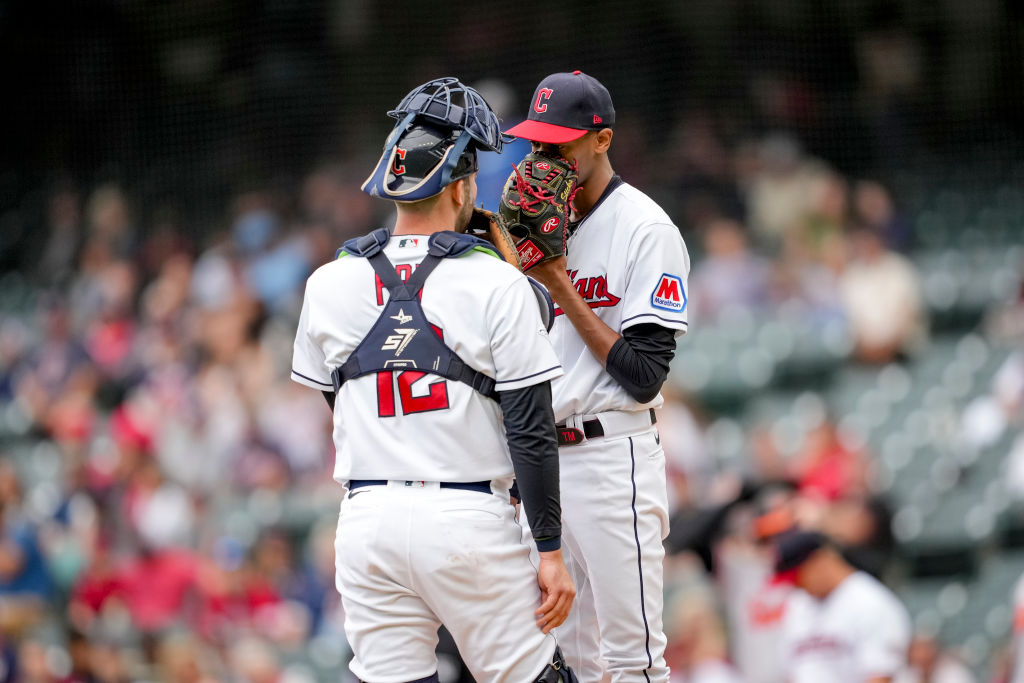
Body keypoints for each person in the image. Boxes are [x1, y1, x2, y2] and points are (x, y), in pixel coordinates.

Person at [290, 77, 577, 683]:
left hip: (367, 519)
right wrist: (548, 550)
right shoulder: (497, 284)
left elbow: (337, 403)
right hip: (466, 516)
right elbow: (530, 429)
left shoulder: (326, 282)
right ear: (465, 184)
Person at [505, 70, 692, 682]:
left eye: (559, 144)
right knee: (571, 662)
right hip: (543, 461)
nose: (544, 158)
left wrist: (555, 277)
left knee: (633, 662)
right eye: (535, 144)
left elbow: (643, 375)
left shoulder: (646, 229)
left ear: (602, 139)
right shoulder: (534, 228)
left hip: (613, 457)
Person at [774, 530, 911, 683]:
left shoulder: (871, 603)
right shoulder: (797, 604)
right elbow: (789, 674)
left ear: (821, 560)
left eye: (798, 578)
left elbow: (881, 677)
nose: (796, 586)